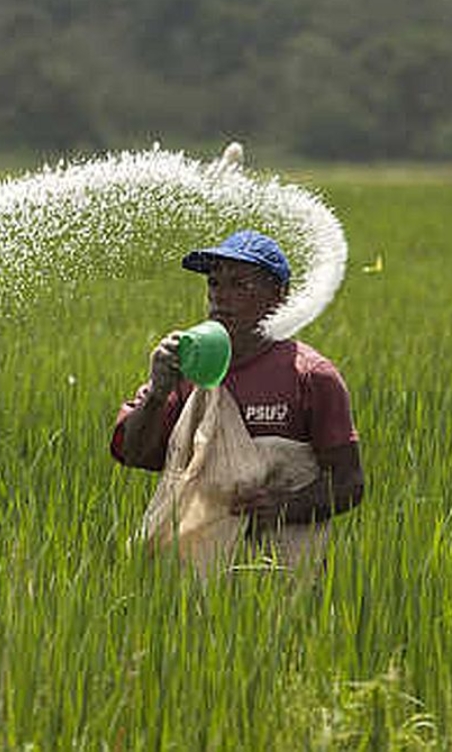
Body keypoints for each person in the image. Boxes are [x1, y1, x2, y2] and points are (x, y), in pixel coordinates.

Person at [111, 229, 364, 567]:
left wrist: (282, 507)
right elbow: (134, 454)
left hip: (280, 569)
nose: (221, 297)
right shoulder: (185, 368)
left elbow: (348, 483)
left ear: (279, 297)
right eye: (214, 283)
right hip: (191, 573)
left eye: (240, 286)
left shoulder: (311, 376)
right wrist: (158, 392)